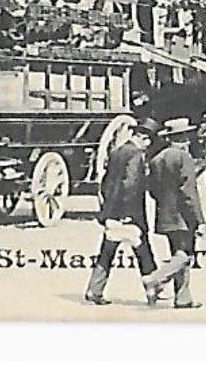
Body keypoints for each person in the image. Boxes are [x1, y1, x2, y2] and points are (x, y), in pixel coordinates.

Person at [86, 118, 160, 305]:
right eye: (148, 139)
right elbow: (131, 185)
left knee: (106, 253)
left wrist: (108, 207)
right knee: (144, 253)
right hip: (130, 214)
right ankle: (152, 292)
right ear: (142, 137)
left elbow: (105, 183)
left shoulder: (117, 152)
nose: (149, 144)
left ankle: (94, 290)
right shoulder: (135, 155)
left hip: (111, 211)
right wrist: (129, 214)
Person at [143, 118, 205, 309]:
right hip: (182, 215)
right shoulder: (183, 157)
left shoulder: (157, 159)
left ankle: (183, 298)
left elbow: (152, 190)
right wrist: (198, 219)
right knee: (185, 254)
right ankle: (155, 278)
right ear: (183, 137)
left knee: (177, 253)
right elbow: (188, 191)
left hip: (164, 214)